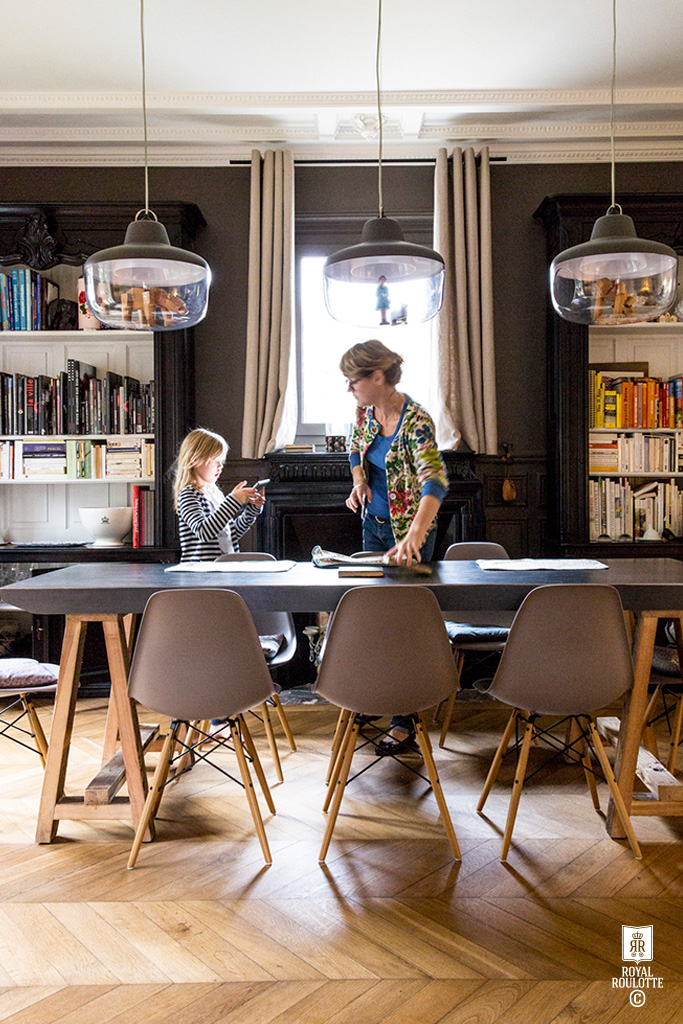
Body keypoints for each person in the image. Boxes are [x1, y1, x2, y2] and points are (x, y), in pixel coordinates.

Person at [341, 339, 448, 754]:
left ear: (378, 377)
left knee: (404, 626)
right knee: (372, 618)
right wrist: (359, 481)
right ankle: (375, 698)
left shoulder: (416, 421)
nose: (349, 389)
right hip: (374, 526)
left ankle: (404, 720)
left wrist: (416, 535)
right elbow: (354, 446)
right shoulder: (366, 412)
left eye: (354, 381)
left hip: (410, 534)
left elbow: (434, 481)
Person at [173, 427, 265, 562]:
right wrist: (233, 500)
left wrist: (252, 510)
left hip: (223, 567)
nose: (220, 466)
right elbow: (204, 532)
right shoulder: (188, 495)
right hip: (201, 572)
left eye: (221, 462)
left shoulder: (215, 494)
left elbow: (231, 533)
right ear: (195, 459)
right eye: (215, 461)